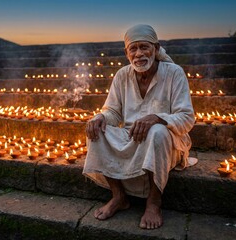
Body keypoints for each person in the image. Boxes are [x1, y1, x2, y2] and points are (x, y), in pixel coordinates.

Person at [83, 24, 196, 230]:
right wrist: (100, 117)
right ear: (126, 53)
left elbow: (187, 117)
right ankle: (118, 196)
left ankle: (153, 203)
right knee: (95, 129)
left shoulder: (174, 73)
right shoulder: (122, 75)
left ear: (156, 47)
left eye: (144, 47)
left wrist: (157, 118)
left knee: (158, 132)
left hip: (166, 139)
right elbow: (113, 112)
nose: (139, 54)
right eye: (133, 49)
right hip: (131, 136)